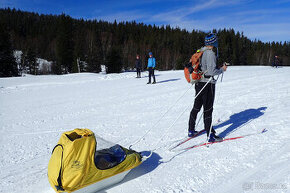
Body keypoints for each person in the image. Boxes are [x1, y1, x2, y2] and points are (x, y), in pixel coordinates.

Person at [188, 33, 227, 142]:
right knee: (208, 109)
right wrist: (222, 69)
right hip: (207, 84)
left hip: (199, 83)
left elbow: (206, 67)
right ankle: (211, 135)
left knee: (196, 107)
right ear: (213, 42)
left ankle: (191, 130)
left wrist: (216, 68)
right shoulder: (210, 53)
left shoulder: (201, 51)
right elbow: (211, 71)